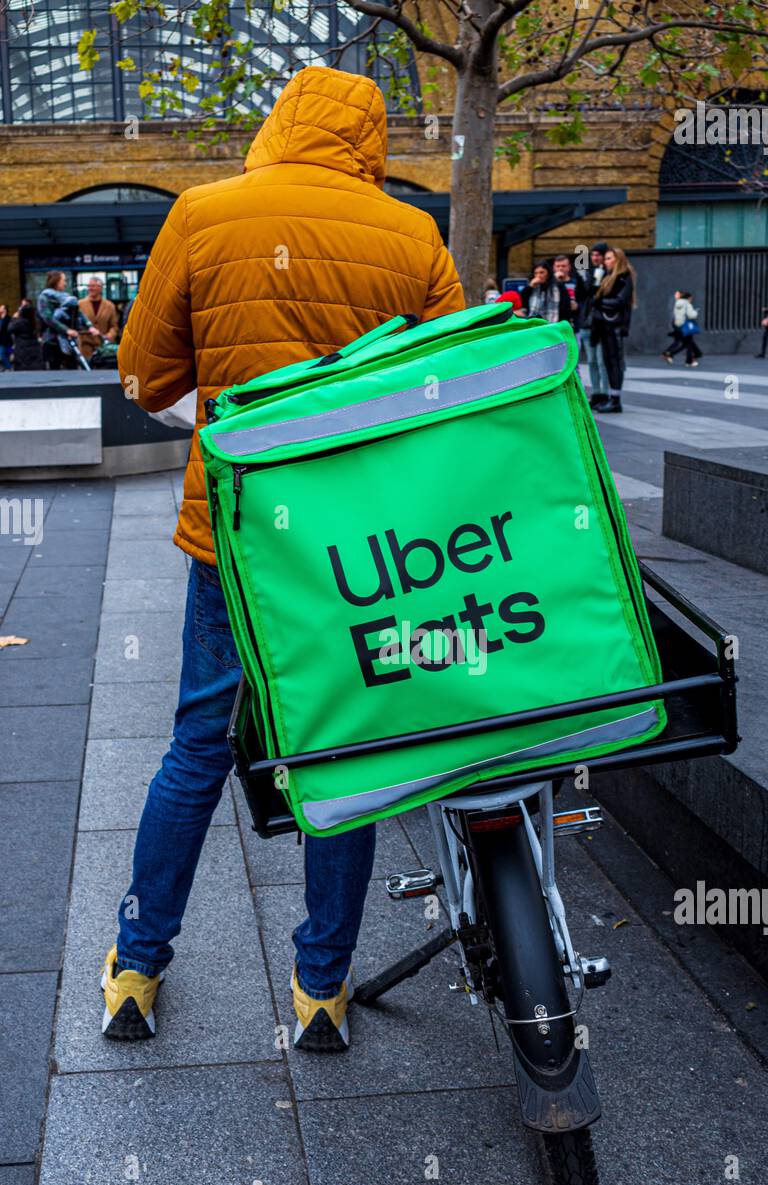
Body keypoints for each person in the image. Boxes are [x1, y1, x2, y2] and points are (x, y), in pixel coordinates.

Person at [107, 65, 464, 1052]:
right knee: (338, 744)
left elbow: (143, 375)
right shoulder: (412, 235)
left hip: (235, 530)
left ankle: (137, 965)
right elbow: (449, 394)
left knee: (197, 743)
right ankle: (320, 989)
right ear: (370, 140)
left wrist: (226, 387)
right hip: (354, 543)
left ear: (278, 123)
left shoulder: (202, 212)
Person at [589, 246, 636, 414]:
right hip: (605, 325)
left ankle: (616, 400)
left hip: (614, 326)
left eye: (609, 258)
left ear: (618, 260)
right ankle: (611, 397)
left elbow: (620, 301)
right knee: (608, 362)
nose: (606, 261)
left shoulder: (624, 277)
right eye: (606, 258)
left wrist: (600, 303)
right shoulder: (608, 276)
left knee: (615, 362)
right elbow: (593, 295)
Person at [573, 242, 610, 408]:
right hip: (587, 323)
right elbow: (582, 295)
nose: (595, 258)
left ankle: (605, 394)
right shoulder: (587, 273)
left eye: (598, 255)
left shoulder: (608, 274)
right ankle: (596, 393)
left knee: (602, 361)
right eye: (593, 255)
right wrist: (582, 277)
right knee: (592, 361)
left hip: (600, 323)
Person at [36, 271, 98, 370]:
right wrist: (66, 330)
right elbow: (48, 319)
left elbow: (79, 313)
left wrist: (89, 326)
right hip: (52, 341)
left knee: (72, 369)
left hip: (69, 341)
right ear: (56, 281)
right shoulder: (44, 298)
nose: (65, 283)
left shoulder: (67, 298)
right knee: (54, 371)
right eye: (63, 280)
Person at [77, 275, 119, 363]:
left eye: (93, 286)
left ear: (100, 288)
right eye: (89, 286)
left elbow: (114, 326)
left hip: (103, 347)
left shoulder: (109, 306)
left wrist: (108, 336)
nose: (90, 288)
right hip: (85, 346)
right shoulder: (80, 304)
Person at [662, 290, 702, 368]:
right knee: (688, 344)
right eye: (691, 298)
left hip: (678, 325)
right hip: (685, 326)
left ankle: (670, 354)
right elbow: (691, 315)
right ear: (688, 298)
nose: (691, 300)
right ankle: (689, 361)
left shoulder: (677, 303)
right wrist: (696, 312)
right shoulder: (687, 304)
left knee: (686, 343)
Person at [9, 300, 43, 370]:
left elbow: (10, 328)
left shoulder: (19, 322)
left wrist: (14, 318)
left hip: (22, 348)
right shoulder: (35, 321)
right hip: (34, 347)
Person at [0, 304, 12, 370]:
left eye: (1, 308)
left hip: (7, 341)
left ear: (4, 310)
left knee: (5, 355)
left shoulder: (8, 319)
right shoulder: (1, 319)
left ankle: (9, 367)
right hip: (2, 341)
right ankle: (8, 367)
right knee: (3, 354)